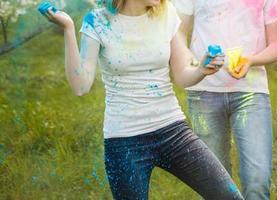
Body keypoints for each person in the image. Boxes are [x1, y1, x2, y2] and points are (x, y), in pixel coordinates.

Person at [42, 0, 243, 199]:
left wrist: (201, 70)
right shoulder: (97, 21)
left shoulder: (167, 13)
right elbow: (80, 86)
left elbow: (182, 75)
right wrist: (68, 29)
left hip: (173, 130)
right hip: (124, 141)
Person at [172, 0, 277, 199]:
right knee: (215, 186)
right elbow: (178, 32)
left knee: (257, 181)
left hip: (252, 92)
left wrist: (251, 60)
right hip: (204, 91)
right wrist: (193, 61)